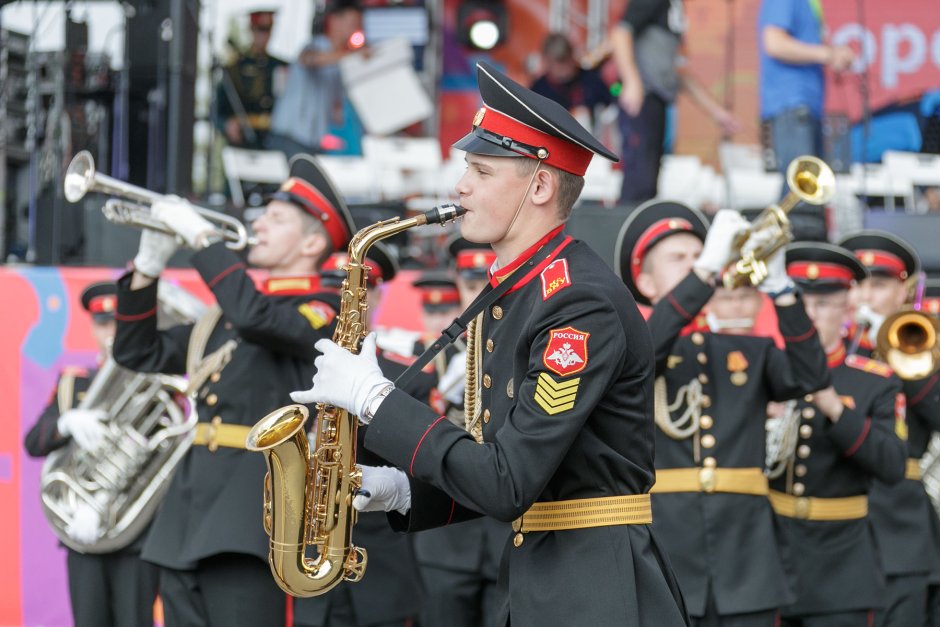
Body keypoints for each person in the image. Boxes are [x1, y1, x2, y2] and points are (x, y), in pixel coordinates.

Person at [291, 61, 689, 626]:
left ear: (541, 185)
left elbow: (508, 483)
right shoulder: (522, 291)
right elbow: (513, 471)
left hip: (598, 593)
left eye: (481, 170)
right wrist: (407, 492)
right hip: (551, 583)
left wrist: (376, 401)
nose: (460, 186)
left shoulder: (577, 303)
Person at [112, 155, 355, 626]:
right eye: (262, 214)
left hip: (253, 516)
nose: (258, 224)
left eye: (276, 218)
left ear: (311, 242)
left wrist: (202, 240)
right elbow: (137, 353)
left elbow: (257, 318)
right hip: (188, 509)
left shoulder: (326, 308)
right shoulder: (226, 316)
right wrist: (147, 268)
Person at [615, 200, 831, 625]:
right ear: (644, 280)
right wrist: (702, 274)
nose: (699, 266)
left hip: (747, 557)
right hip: (669, 550)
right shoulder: (631, 340)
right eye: (680, 258)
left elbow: (810, 377)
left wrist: (784, 294)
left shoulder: (746, 347)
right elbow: (644, 350)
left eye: (702, 255)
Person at [769, 242, 907, 626]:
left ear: (847, 306)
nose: (810, 316)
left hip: (841, 568)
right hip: (770, 558)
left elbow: (893, 464)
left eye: (823, 304)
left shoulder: (873, 380)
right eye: (801, 304)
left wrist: (834, 408)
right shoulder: (766, 368)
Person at [295, 242, 425, 627]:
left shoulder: (406, 372)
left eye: (349, 291)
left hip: (380, 570)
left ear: (375, 298)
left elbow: (421, 463)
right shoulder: (294, 361)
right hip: (307, 569)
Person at [24, 281, 160, 627]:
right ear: (92, 327)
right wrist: (66, 423)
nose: (111, 332)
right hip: (82, 528)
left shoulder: (155, 383)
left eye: (118, 323)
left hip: (135, 532)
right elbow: (34, 443)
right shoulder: (74, 383)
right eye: (103, 323)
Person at [838, 230, 940, 627]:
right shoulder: (820, 347)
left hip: (901, 524)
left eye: (877, 286)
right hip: (835, 527)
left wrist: (893, 344)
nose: (864, 297)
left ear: (905, 292)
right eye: (856, 285)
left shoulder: (920, 343)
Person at [409, 239, 506, 627]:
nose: (478, 292)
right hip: (445, 538)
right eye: (470, 284)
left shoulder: (520, 345)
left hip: (507, 534)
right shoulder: (430, 356)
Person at [610, 0, 739, 204]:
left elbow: (679, 72)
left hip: (659, 101)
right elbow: (620, 34)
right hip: (642, 99)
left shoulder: (675, 9)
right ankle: (627, 231)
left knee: (650, 180)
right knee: (638, 181)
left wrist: (716, 112)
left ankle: (641, 231)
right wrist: (632, 80)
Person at [758, 0, 856, 176]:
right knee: (800, 190)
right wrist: (829, 54)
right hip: (792, 103)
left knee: (811, 189)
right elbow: (774, 44)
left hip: (806, 106)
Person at [267, 0, 365, 158]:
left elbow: (336, 110)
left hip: (313, 143)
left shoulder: (340, 62)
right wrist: (353, 55)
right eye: (352, 23)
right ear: (334, 21)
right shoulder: (314, 46)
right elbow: (309, 59)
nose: (356, 29)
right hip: (290, 138)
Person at [215, 10, 287, 149]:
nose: (265, 35)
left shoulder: (280, 66)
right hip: (242, 140)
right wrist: (227, 125)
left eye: (268, 29)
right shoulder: (235, 67)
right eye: (261, 29)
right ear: (251, 29)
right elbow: (218, 110)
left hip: (273, 141)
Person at [529, 32, 614, 128]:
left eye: (566, 61)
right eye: (559, 65)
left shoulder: (590, 79)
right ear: (547, 62)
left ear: (572, 55)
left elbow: (613, 96)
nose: (564, 69)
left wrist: (615, 89)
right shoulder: (538, 91)